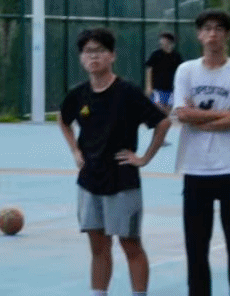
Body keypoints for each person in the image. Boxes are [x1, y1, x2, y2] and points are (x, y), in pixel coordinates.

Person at [59, 27, 171, 296]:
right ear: (81, 58)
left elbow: (163, 122)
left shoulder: (127, 92)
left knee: (130, 244)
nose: (93, 56)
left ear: (112, 55)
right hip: (89, 180)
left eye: (99, 51)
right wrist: (75, 151)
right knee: (98, 247)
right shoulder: (79, 94)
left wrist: (143, 158)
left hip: (122, 180)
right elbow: (63, 120)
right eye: (88, 51)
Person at [173, 9, 230, 296]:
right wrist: (225, 115)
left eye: (219, 29)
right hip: (195, 168)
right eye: (207, 28)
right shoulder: (186, 70)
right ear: (199, 35)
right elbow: (182, 114)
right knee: (196, 247)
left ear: (227, 35)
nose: (213, 34)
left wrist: (200, 119)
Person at [145, 32, 182, 111]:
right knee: (158, 109)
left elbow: (180, 72)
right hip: (157, 89)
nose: (162, 42)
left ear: (171, 42)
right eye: (161, 40)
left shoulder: (176, 56)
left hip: (171, 89)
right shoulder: (156, 54)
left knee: (168, 110)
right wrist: (148, 86)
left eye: (165, 40)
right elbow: (149, 69)